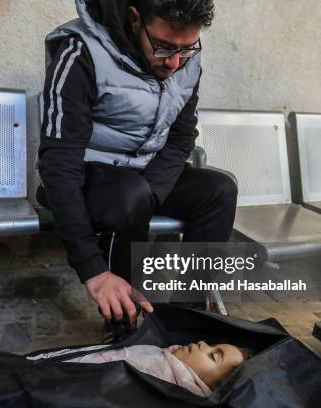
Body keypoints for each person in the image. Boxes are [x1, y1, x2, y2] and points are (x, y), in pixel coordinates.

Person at [37, 0, 238, 338]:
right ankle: (122, 324)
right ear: (134, 19)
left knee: (220, 190)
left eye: (187, 49)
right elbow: (59, 165)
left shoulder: (185, 62)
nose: (174, 63)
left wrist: (153, 192)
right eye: (163, 47)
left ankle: (184, 319)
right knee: (129, 194)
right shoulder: (79, 51)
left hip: (142, 177)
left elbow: (181, 137)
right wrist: (93, 270)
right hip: (89, 176)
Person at [66, 340, 248, 397]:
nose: (203, 343)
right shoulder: (169, 359)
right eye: (212, 345)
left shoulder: (153, 376)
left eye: (213, 355)